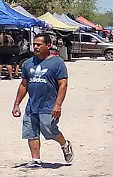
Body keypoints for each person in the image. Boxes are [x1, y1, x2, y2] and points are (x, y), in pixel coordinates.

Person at [11, 33, 74, 168]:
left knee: (49, 129)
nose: (36, 47)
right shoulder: (28, 63)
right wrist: (16, 104)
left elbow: (63, 84)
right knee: (31, 131)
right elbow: (24, 84)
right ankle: (35, 160)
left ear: (48, 46)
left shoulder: (57, 63)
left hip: (49, 105)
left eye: (39, 44)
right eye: (34, 44)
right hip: (32, 104)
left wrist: (58, 104)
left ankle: (64, 144)